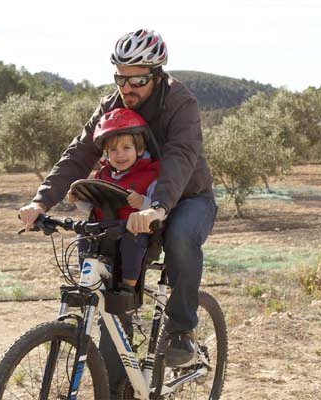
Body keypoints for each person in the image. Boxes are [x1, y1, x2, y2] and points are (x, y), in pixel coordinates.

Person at [19, 28, 217, 396]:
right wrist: (40, 201)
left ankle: (181, 332)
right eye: (120, 77)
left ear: (157, 74)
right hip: (133, 204)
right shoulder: (112, 104)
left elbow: (180, 158)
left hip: (187, 196)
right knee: (107, 280)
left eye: (137, 79)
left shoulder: (180, 102)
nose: (127, 87)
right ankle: (119, 379)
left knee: (180, 236)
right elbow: (78, 153)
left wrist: (159, 206)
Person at [67, 108, 159, 291]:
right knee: (83, 236)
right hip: (105, 231)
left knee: (131, 240)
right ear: (106, 153)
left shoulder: (149, 175)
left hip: (135, 232)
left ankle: (128, 288)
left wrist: (142, 202)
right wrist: (78, 199)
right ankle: (89, 280)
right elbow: (95, 206)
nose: (120, 154)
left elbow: (159, 206)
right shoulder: (102, 175)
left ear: (139, 149)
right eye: (113, 150)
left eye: (126, 148)